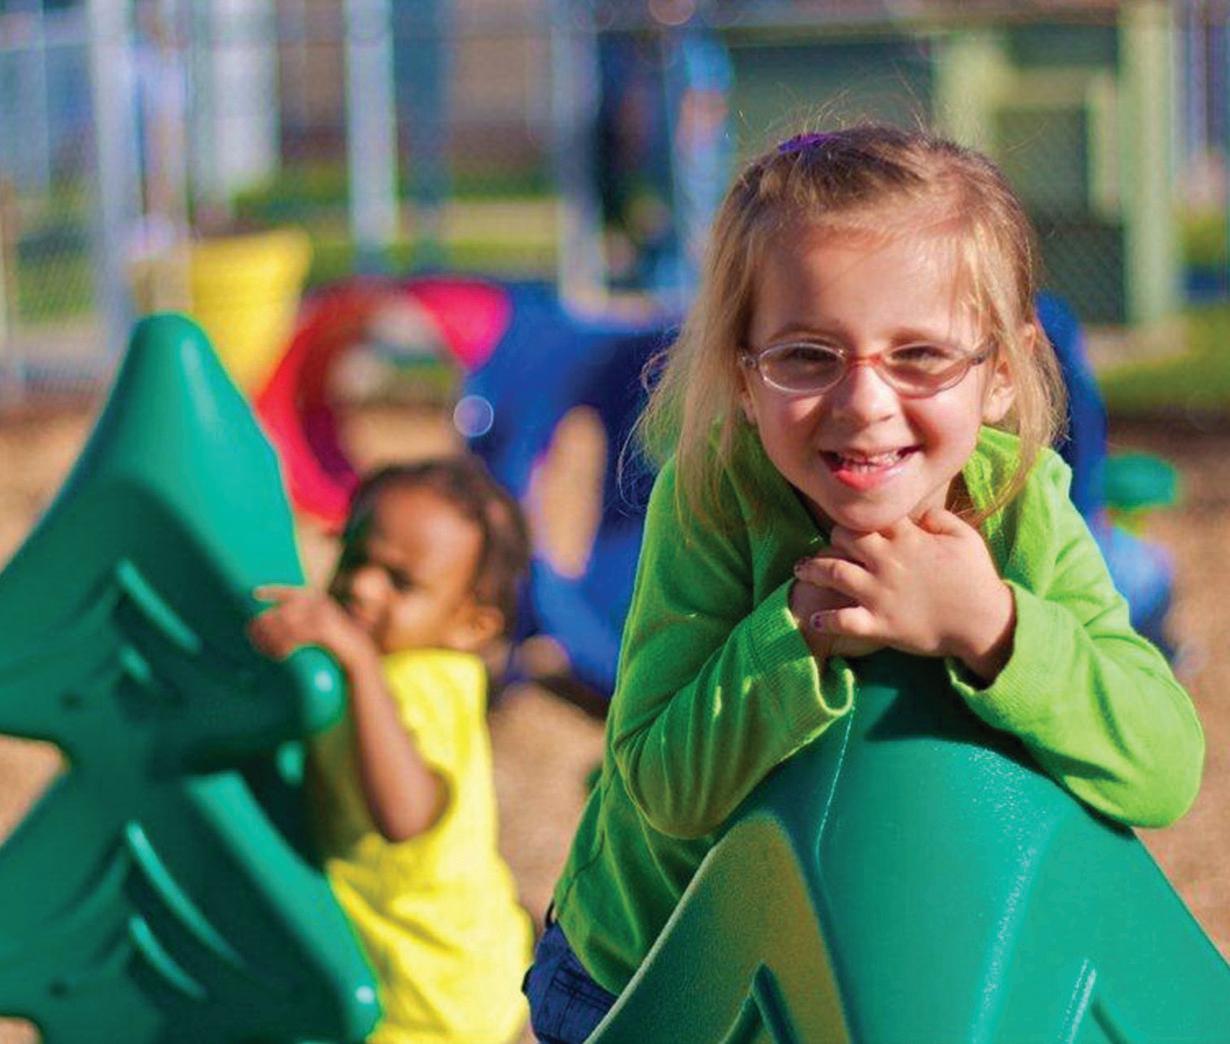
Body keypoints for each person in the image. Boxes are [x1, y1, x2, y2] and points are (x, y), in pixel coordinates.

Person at [522, 124, 1205, 1041]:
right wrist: (799, 628)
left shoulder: (1021, 508)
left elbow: (1163, 767)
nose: (864, 403)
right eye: (807, 356)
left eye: (919, 355)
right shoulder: (716, 500)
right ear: (742, 374)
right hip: (662, 980)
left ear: (1002, 373)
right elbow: (664, 785)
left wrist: (995, 628)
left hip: (911, 970)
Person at [249, 456, 534, 1044]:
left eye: (401, 582)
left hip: (435, 1001)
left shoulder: (419, 683)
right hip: (459, 972)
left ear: (470, 626)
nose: (362, 586)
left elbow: (405, 815)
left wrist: (358, 661)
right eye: (356, 557)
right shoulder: (397, 671)